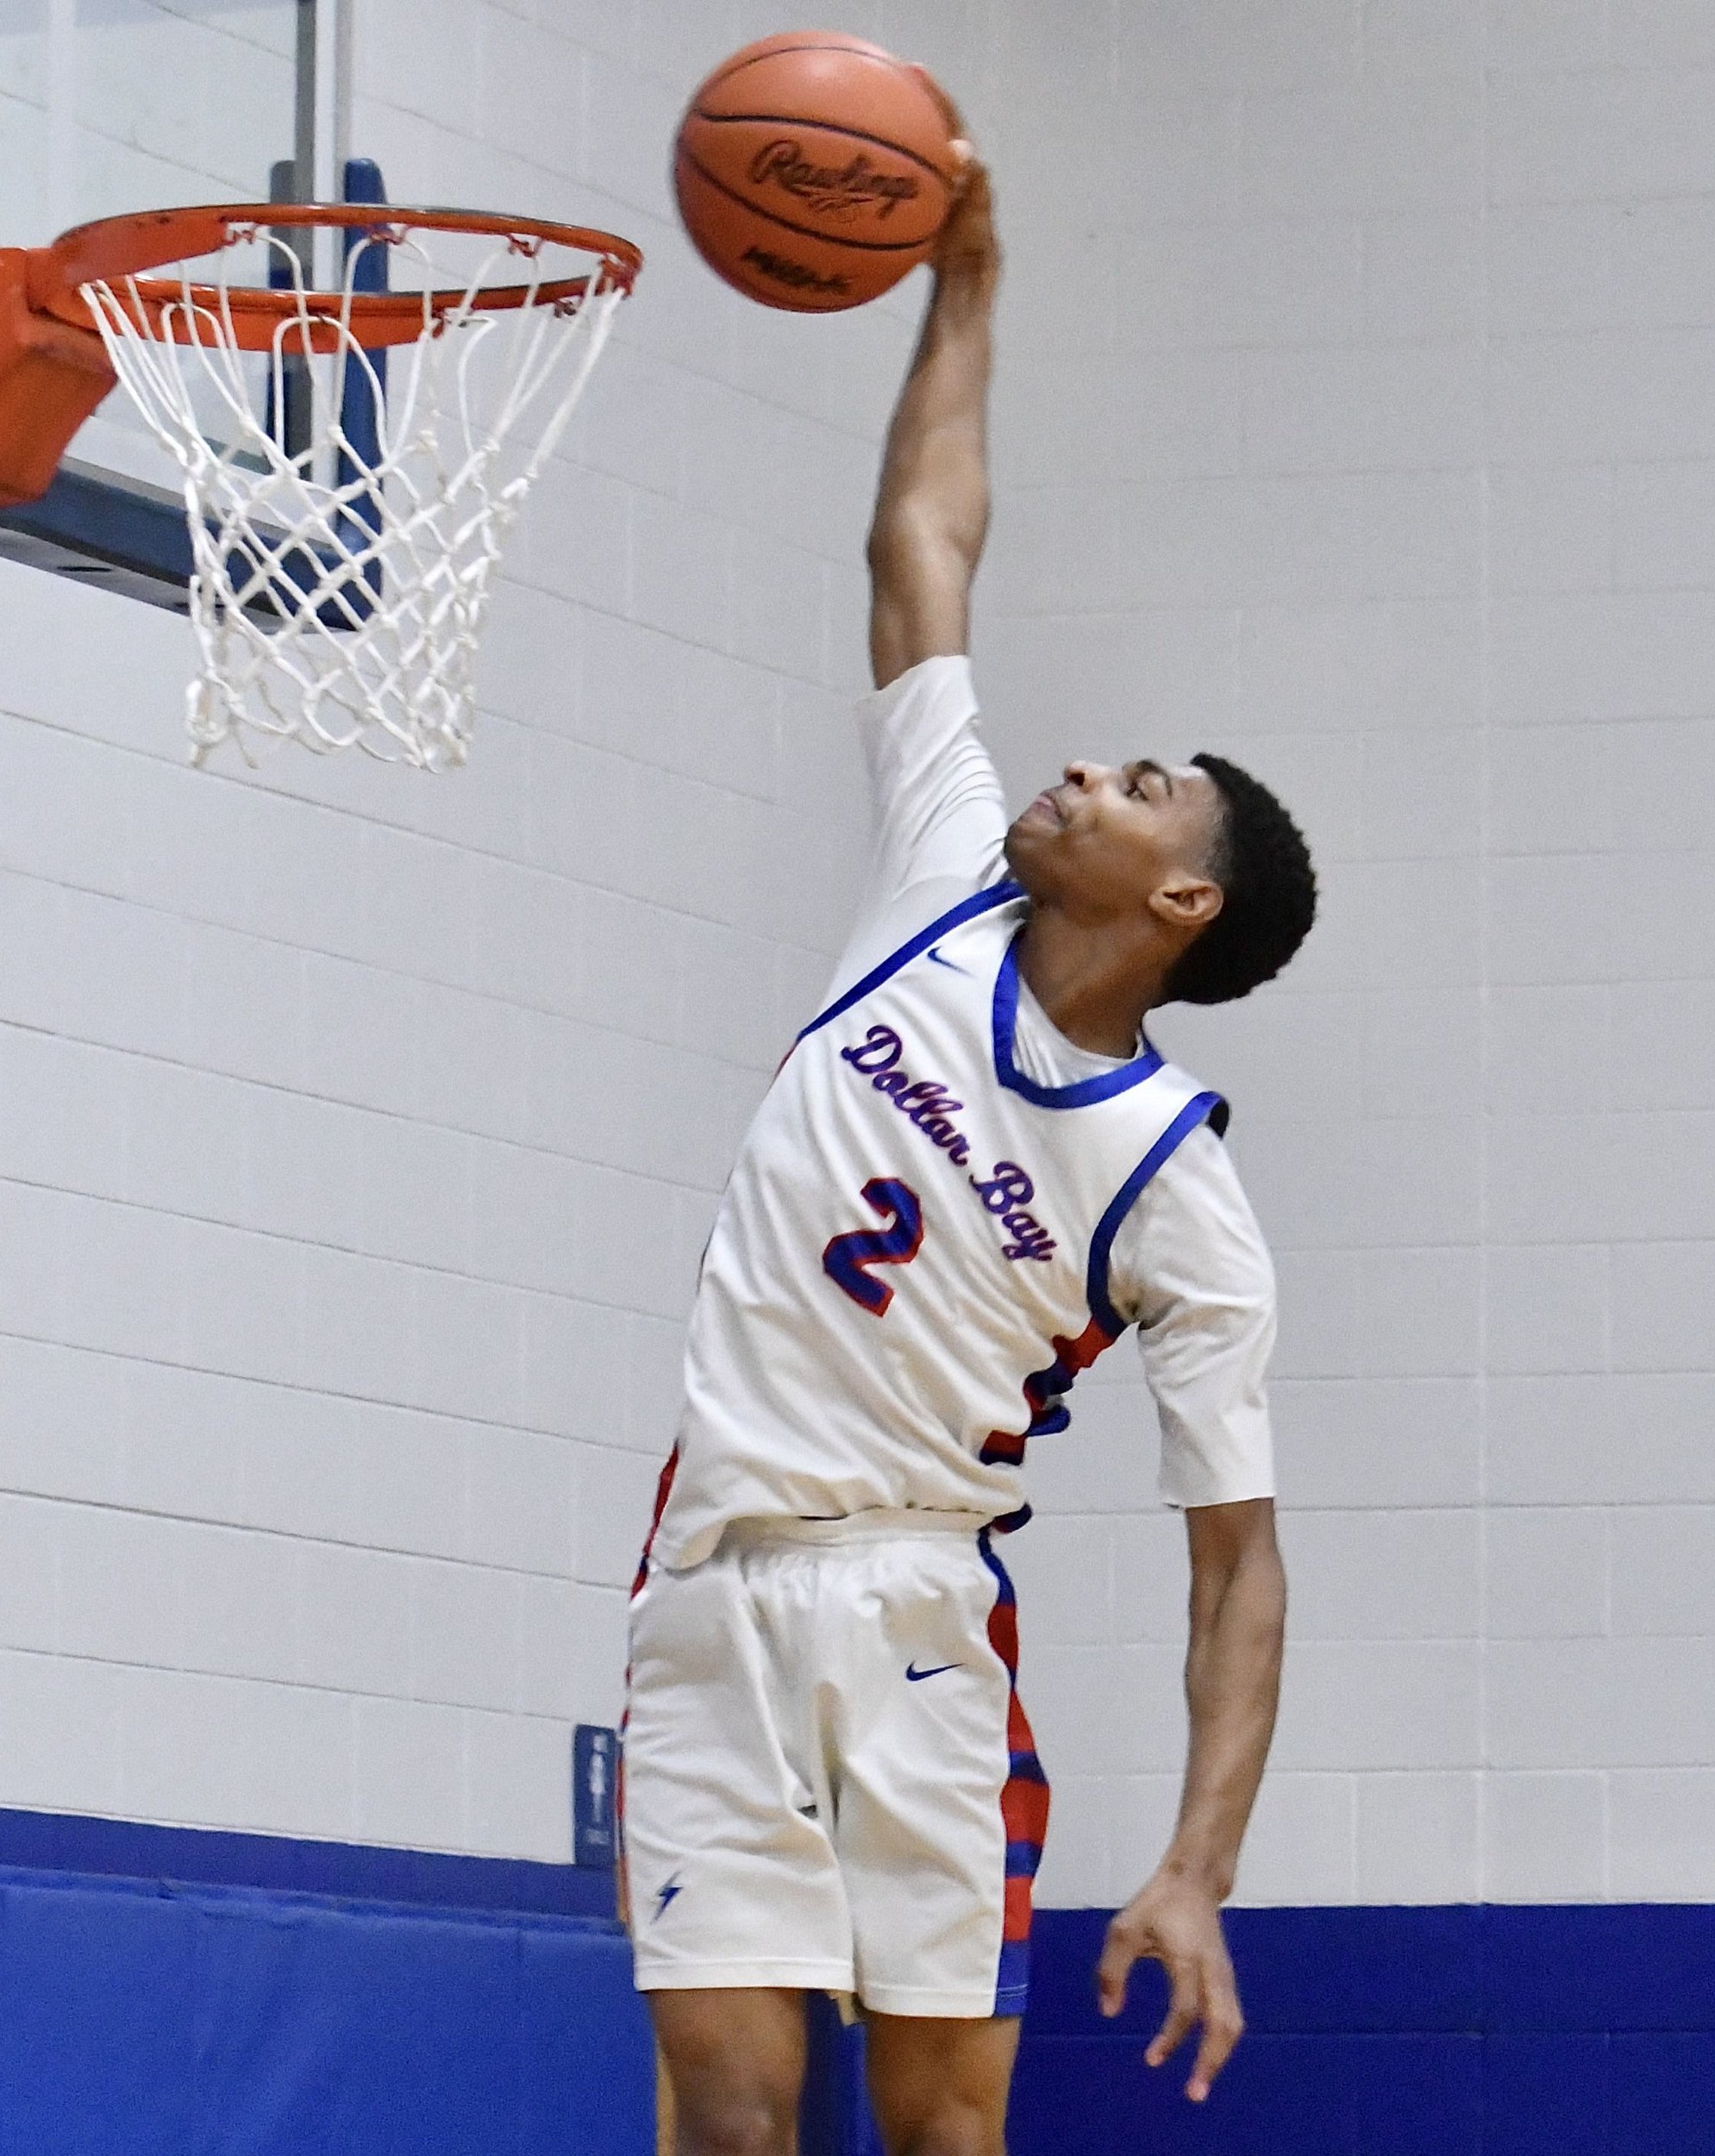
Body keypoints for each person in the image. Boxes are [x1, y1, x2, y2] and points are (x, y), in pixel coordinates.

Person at [621, 123, 1317, 2156]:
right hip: (708, 1566)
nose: (1085, 765)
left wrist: (1193, 1862)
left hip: (918, 1610)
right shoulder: (943, 867)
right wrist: (967, 278)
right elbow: (919, 545)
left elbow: (1235, 1570)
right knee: (728, 2116)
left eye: (1140, 786)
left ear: (1177, 903)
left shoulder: (1178, 1183)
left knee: (939, 2132)